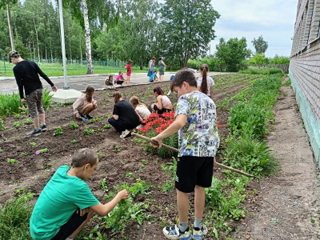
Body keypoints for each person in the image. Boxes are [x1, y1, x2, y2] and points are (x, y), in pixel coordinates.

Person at [151, 69, 220, 240]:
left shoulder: (185, 98)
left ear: (184, 85)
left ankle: (182, 230)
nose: (177, 95)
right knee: (200, 187)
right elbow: (213, 129)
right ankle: (198, 228)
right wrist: (213, 154)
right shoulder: (210, 101)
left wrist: (160, 136)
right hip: (207, 153)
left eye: (176, 91)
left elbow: (180, 122)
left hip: (189, 153)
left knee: (182, 190)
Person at [30, 148, 129, 240]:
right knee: (91, 208)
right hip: (47, 236)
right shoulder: (79, 187)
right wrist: (119, 196)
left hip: (36, 229)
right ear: (86, 167)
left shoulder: (62, 170)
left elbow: (66, 193)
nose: (93, 172)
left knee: (86, 204)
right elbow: (103, 211)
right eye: (94, 169)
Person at [9, 50, 57, 136]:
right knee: (40, 106)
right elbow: (42, 74)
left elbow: (20, 84)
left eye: (11, 61)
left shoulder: (16, 68)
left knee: (32, 109)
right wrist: (52, 84)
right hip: (39, 89)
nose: (12, 63)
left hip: (30, 91)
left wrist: (21, 97)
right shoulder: (32, 63)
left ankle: (37, 129)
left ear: (13, 58)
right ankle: (44, 125)